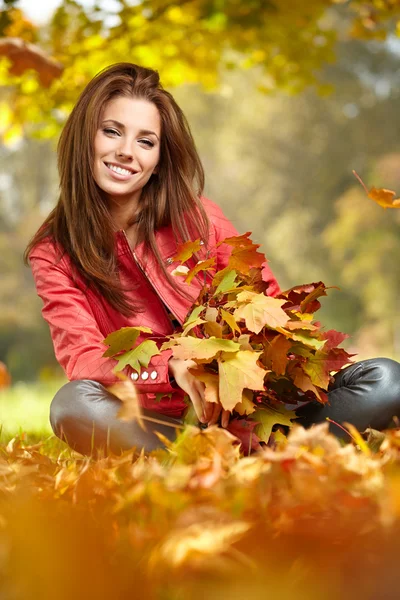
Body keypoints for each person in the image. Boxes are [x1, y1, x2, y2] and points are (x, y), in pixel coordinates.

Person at [25, 62, 400, 456]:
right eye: (112, 131)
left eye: (146, 141)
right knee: (72, 404)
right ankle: (207, 459)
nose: (126, 152)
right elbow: (83, 358)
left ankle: (256, 451)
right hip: (160, 424)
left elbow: (267, 305)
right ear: (85, 136)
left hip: (254, 410)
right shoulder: (54, 252)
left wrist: (245, 371)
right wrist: (172, 368)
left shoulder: (199, 217)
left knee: (386, 380)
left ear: (158, 161)